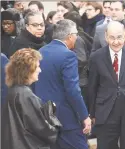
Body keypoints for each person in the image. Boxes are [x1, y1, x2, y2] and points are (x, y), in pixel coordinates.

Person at [88, 21, 125, 149]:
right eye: (112, 37)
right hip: (105, 112)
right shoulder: (96, 57)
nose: (116, 42)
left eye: (119, 37)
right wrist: (93, 113)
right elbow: (92, 87)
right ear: (106, 37)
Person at [34, 19, 91, 149]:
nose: (77, 37)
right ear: (70, 36)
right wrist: (84, 116)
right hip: (66, 119)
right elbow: (73, 90)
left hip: (43, 116)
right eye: (76, 34)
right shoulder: (68, 56)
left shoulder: (40, 51)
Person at [1, 48, 59, 149]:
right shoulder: (26, 95)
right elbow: (42, 129)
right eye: (37, 66)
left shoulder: (14, 91)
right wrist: (51, 117)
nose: (40, 70)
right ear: (28, 70)